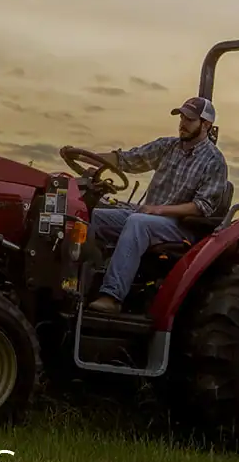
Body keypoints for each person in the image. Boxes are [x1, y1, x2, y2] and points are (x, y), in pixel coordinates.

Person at [61, 96, 230, 314]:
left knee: (137, 222)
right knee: (89, 216)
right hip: (149, 216)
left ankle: (112, 296)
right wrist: (86, 157)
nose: (182, 123)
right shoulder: (168, 146)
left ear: (205, 124)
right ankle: (74, 284)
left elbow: (201, 206)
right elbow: (127, 160)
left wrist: (158, 210)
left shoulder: (214, 161)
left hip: (181, 226)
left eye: (190, 119)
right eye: (181, 117)